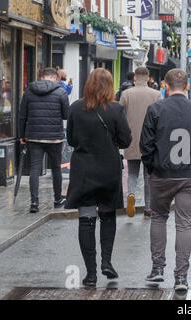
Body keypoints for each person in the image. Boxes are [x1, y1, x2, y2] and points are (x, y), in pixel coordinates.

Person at [140, 68, 191, 292]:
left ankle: (158, 269)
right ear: (188, 86)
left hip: (162, 174)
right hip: (190, 174)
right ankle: (181, 277)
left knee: (159, 218)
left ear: (165, 86)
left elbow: (146, 145)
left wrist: (152, 168)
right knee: (185, 224)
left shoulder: (156, 109)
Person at [65, 68, 132, 287]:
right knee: (108, 215)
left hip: (83, 170)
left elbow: (72, 140)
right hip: (108, 170)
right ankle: (107, 262)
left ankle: (91, 273)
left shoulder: (75, 107)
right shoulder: (116, 109)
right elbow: (125, 140)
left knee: (86, 220)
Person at [19, 67, 70, 213]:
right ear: (55, 78)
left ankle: (34, 203)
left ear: (41, 77)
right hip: (54, 137)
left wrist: (22, 136)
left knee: (34, 169)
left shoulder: (29, 91)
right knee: (56, 169)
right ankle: (57, 199)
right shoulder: (61, 92)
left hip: (34, 137)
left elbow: (22, 115)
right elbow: (66, 115)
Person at [120, 67, 161, 218]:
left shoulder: (126, 94)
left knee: (131, 173)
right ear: (148, 78)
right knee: (148, 175)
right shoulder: (156, 94)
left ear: (135, 78)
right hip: (151, 141)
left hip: (131, 139)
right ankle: (148, 208)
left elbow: (120, 117)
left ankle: (131, 194)